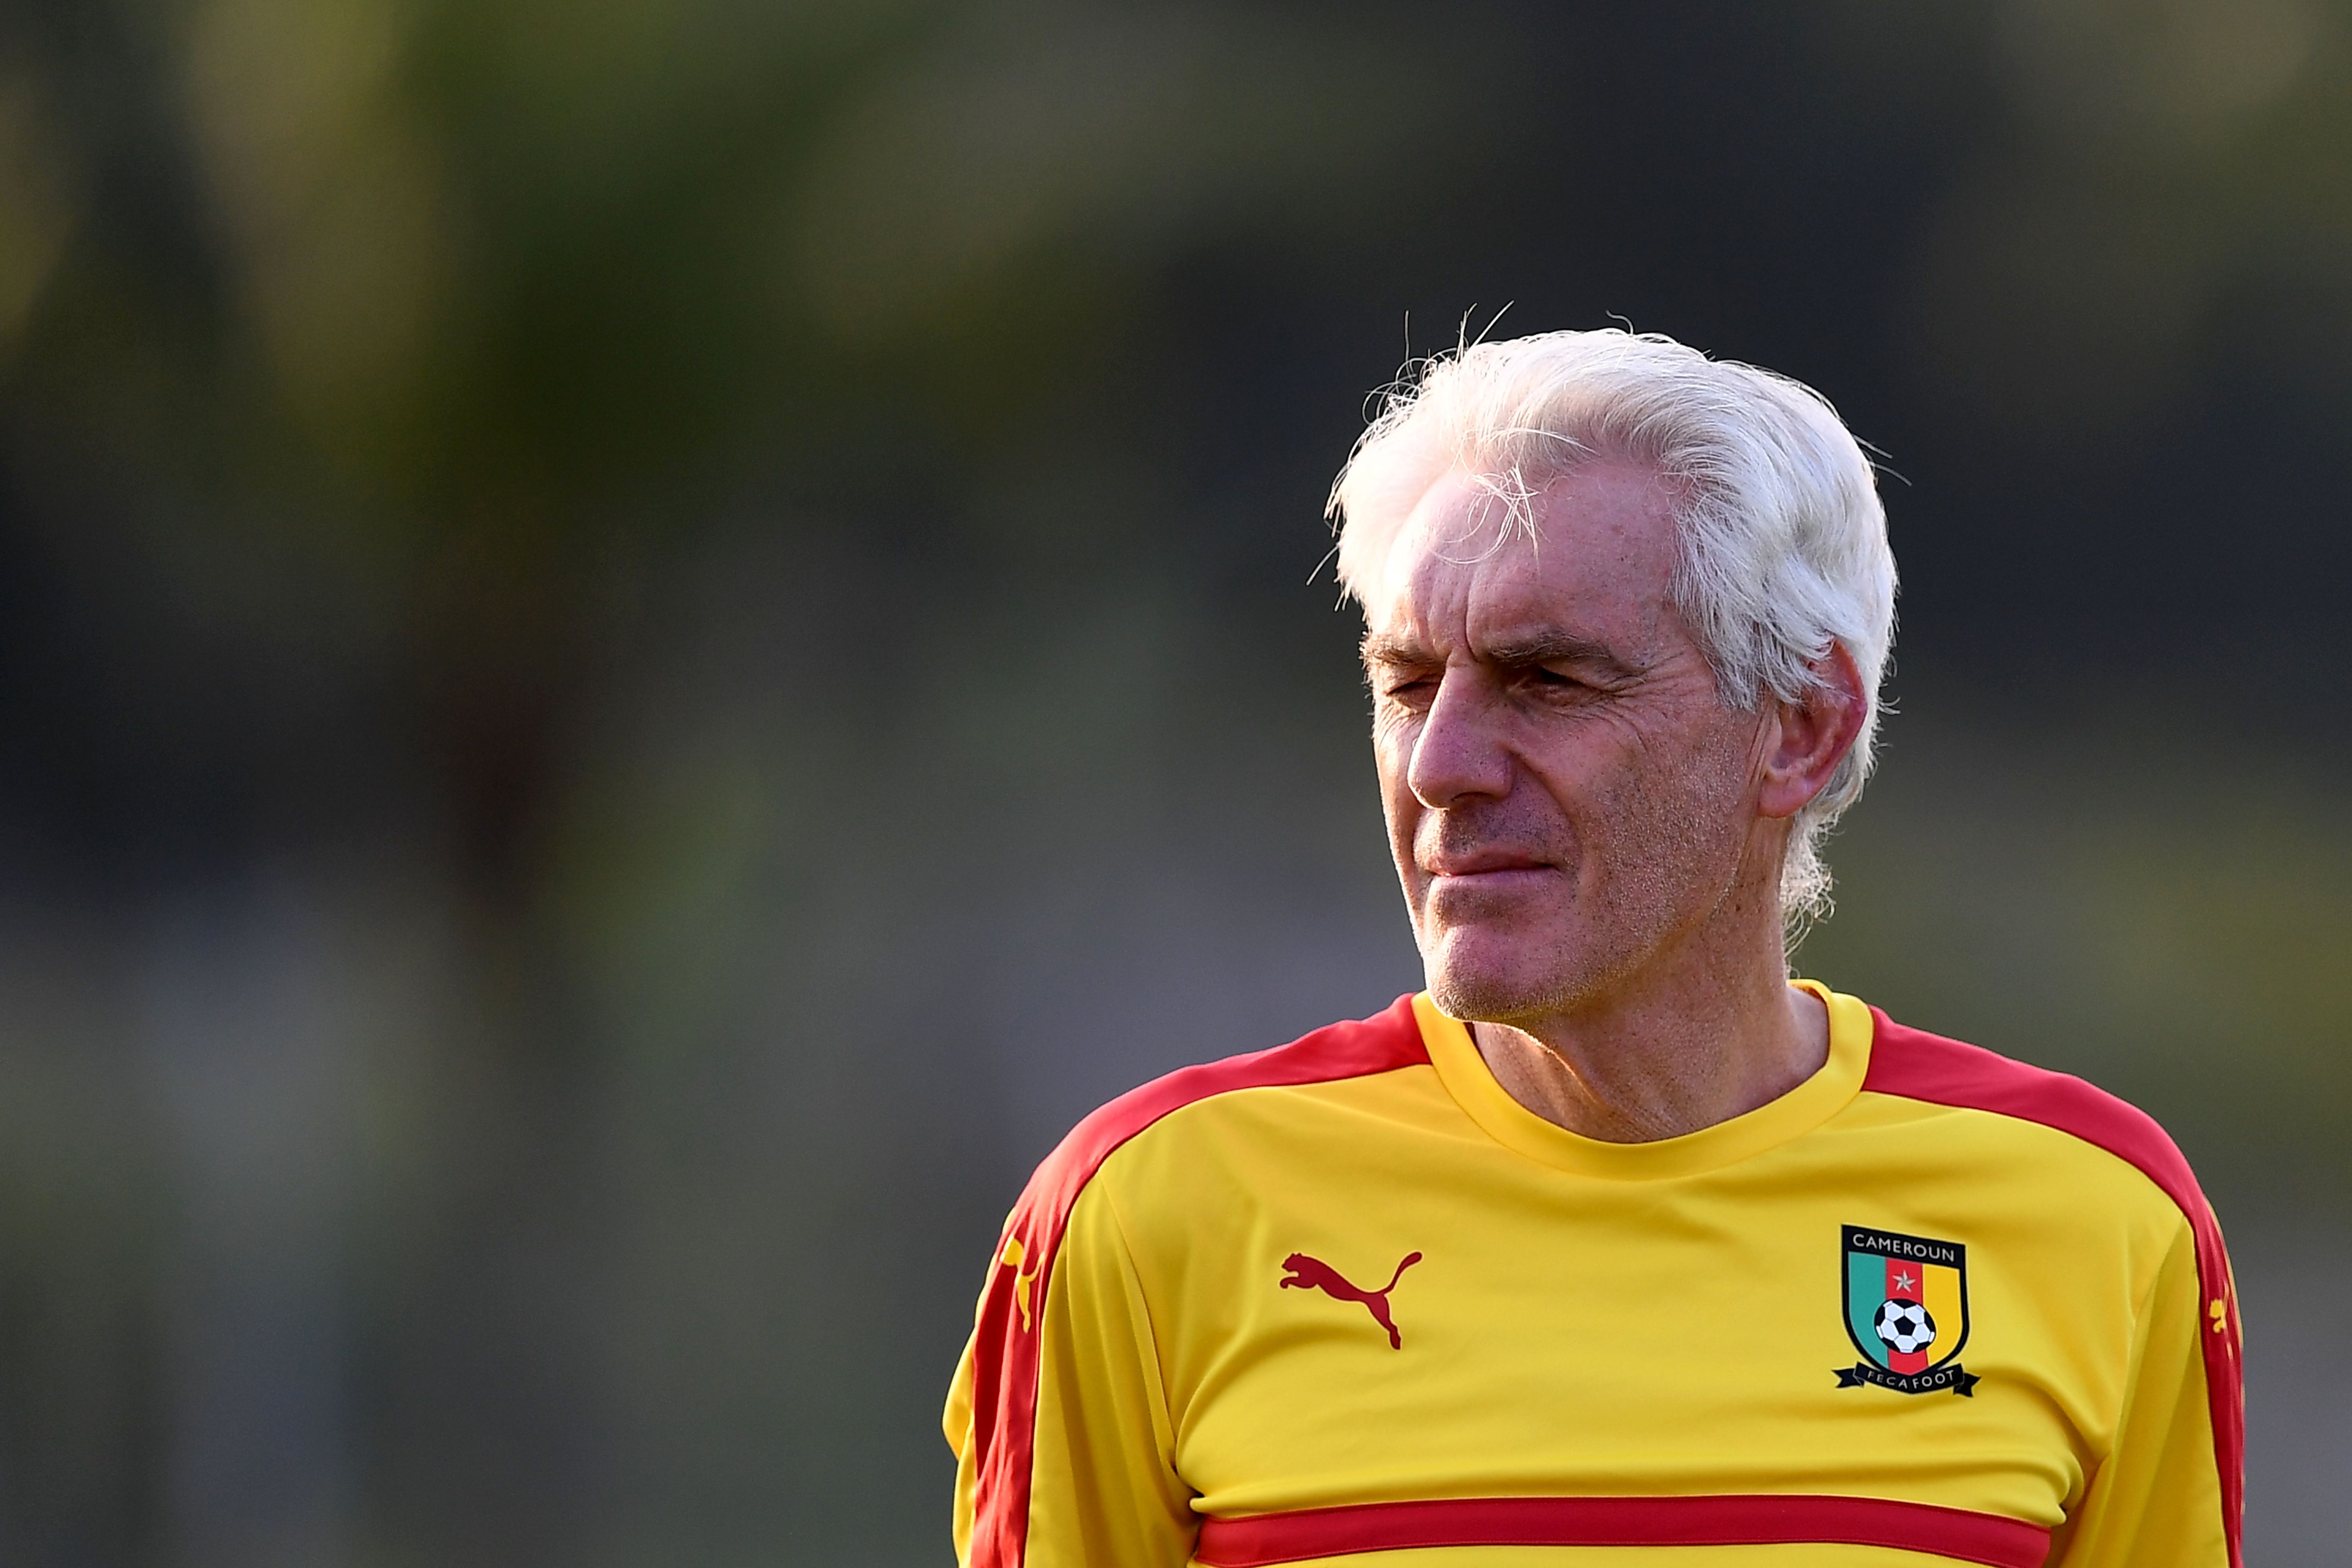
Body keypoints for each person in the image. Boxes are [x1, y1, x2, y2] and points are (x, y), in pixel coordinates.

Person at [943, 329, 2243, 1567]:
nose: (1441, 766)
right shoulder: (1144, 1214)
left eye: (1548, 682)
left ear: (1801, 727)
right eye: (1406, 684)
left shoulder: (2102, 1220)